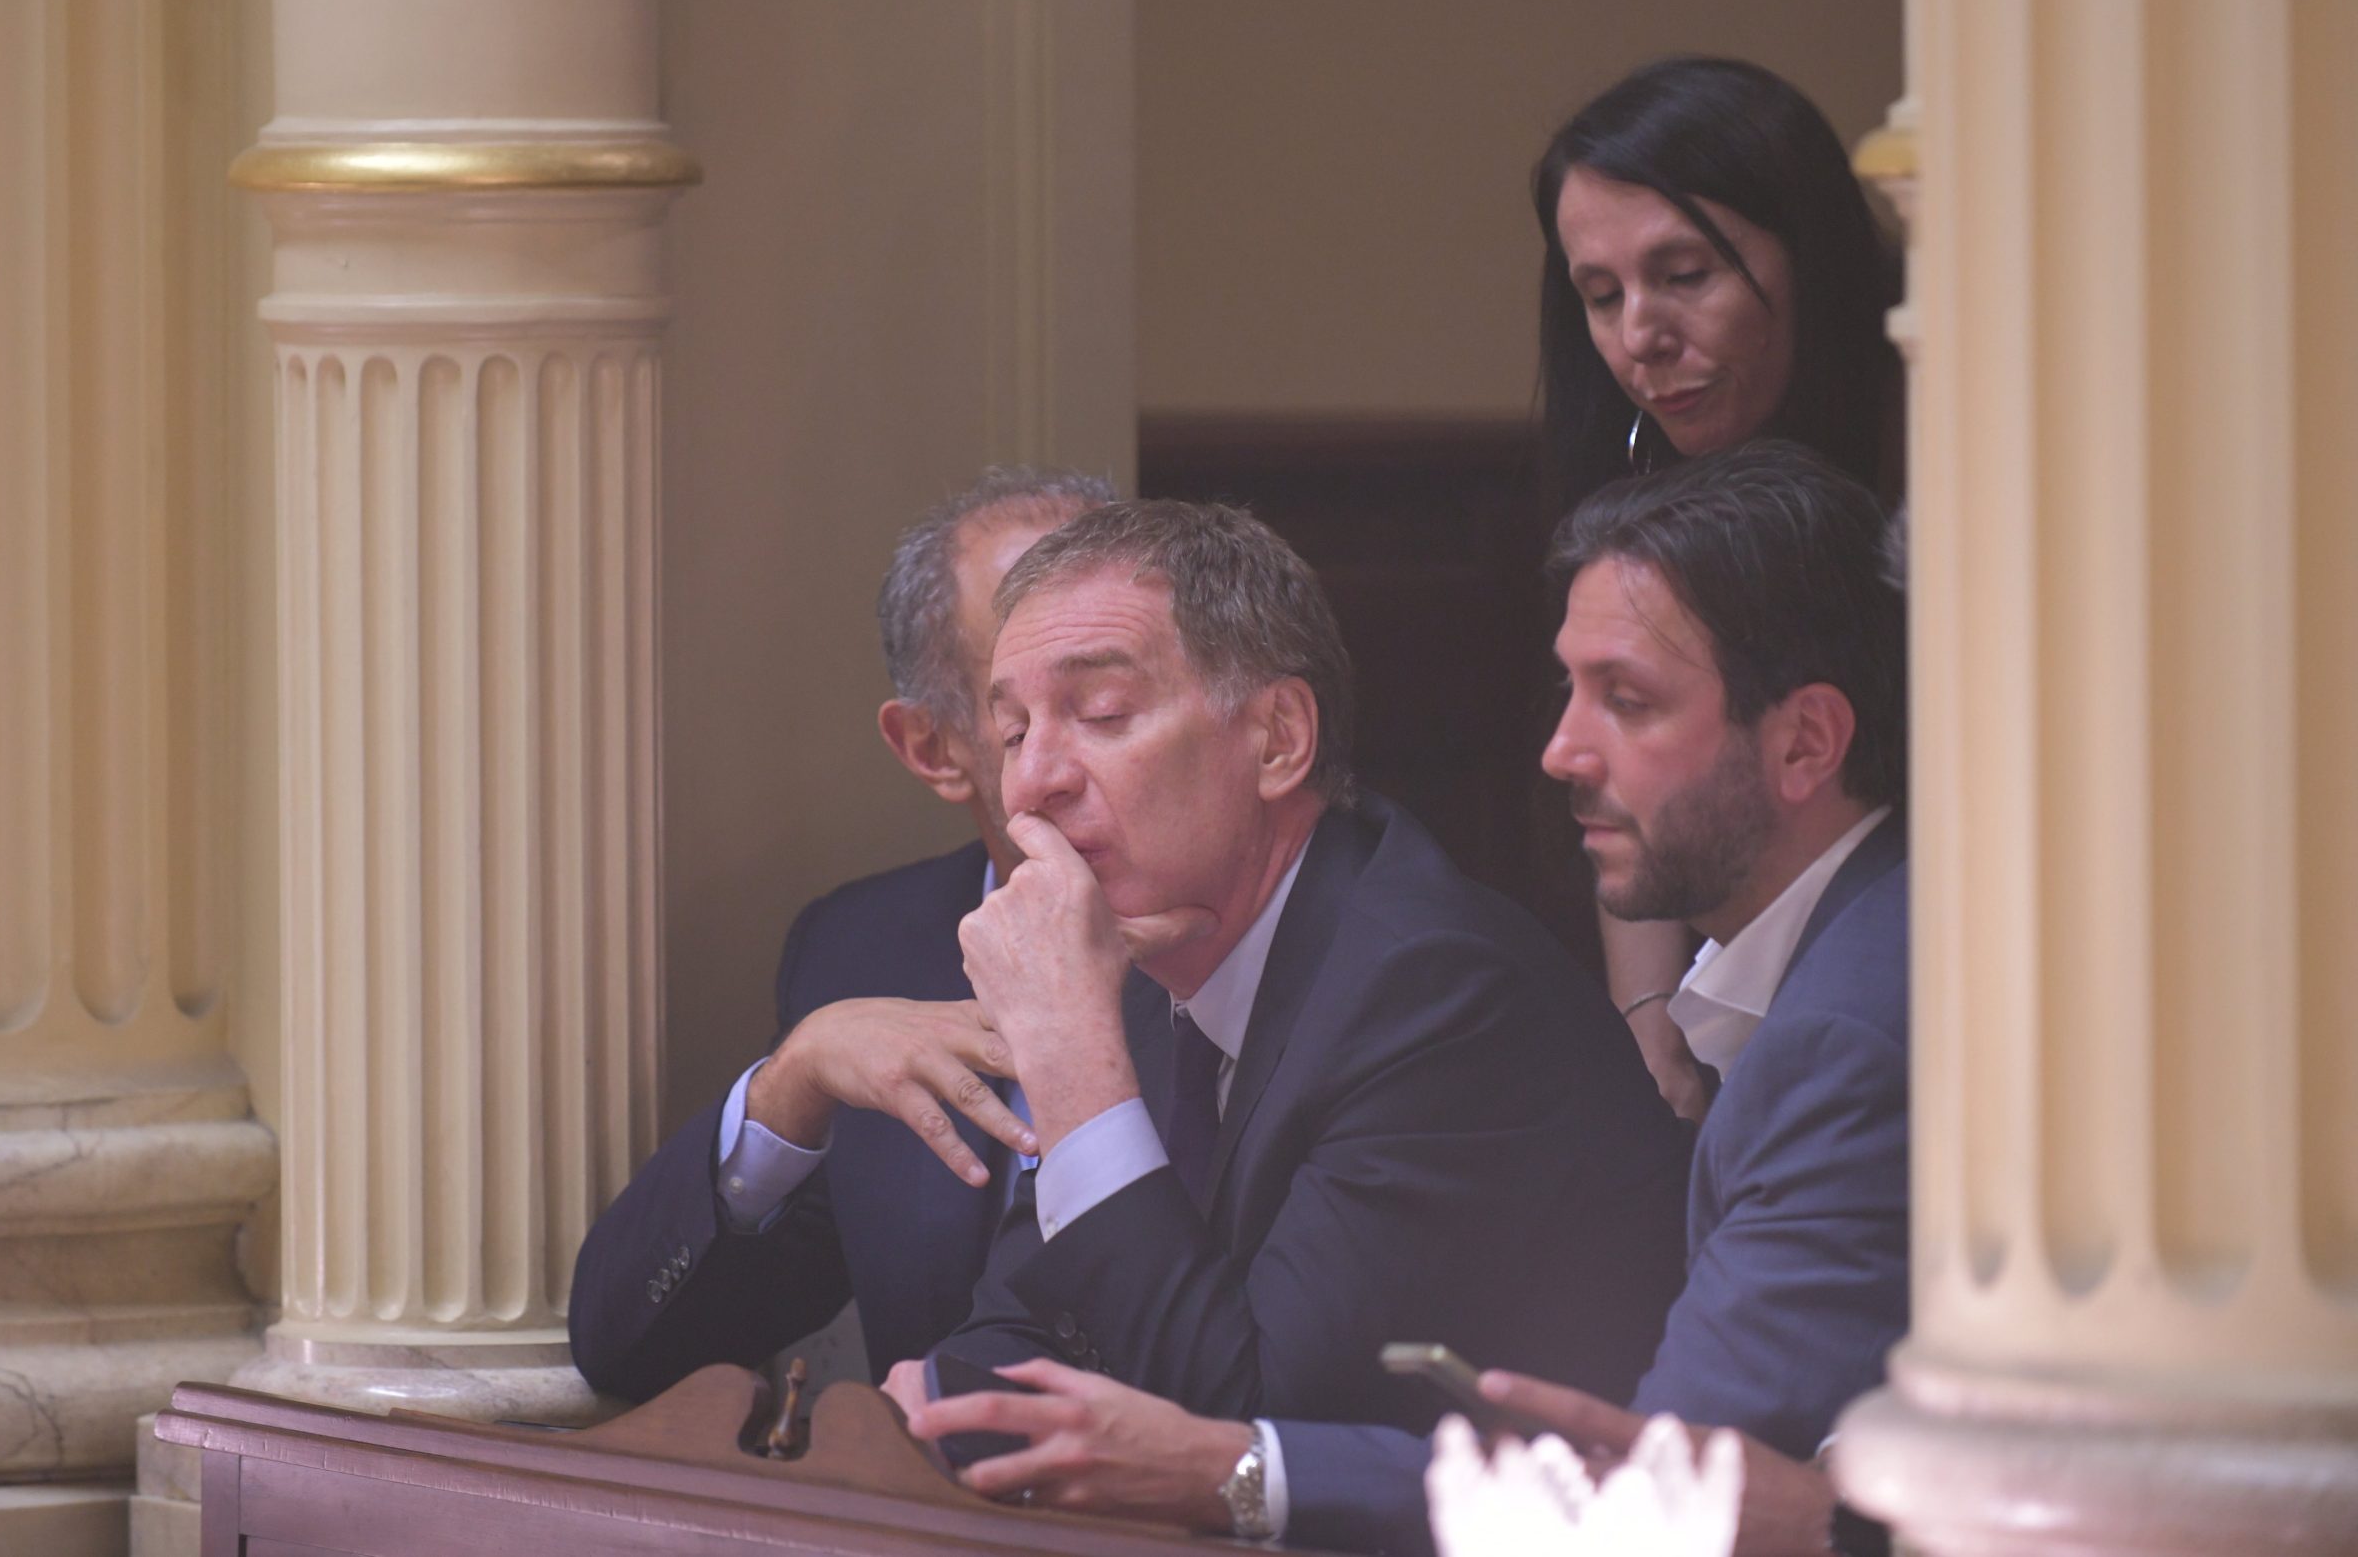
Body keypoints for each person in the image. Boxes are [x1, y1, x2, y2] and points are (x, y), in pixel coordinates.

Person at [912, 445, 1909, 1557]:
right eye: (1011, 732)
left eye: (1098, 712)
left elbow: (1233, 1419)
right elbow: (1016, 1336)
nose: (1031, 780)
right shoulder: (1145, 956)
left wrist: (1068, 1056)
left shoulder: (1434, 988)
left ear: (1279, 739)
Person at [567, 466, 1113, 1400]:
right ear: (933, 749)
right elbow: (628, 1350)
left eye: (1113, 703)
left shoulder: (1302, 941)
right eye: (1026, 714)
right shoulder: (864, 951)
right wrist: (791, 1086)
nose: (1087, 754)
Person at [1533, 55, 1906, 1120]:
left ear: (1811, 258)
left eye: (1686, 274)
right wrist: (1649, 1017)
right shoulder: (1627, 472)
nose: (1639, 338)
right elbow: (1630, 769)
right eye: (1601, 295)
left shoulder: (1942, 438)